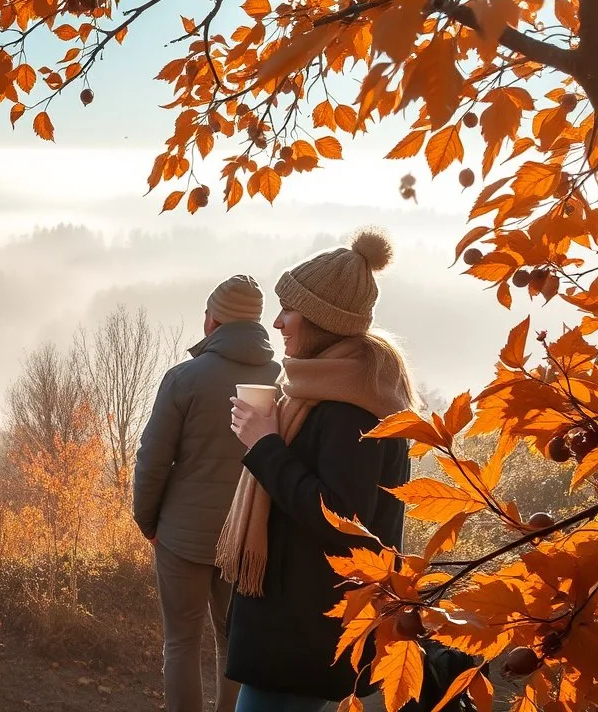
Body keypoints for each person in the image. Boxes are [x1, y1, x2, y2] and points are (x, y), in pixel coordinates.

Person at [219, 227, 416, 711]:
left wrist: (264, 445)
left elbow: (344, 520)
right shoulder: (322, 393)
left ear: (320, 321)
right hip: (299, 625)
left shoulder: (350, 411)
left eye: (289, 309)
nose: (278, 321)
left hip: (306, 628)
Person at [133, 274, 281, 712]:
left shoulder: (184, 378)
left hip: (182, 535)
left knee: (181, 642)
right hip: (249, 537)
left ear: (212, 320)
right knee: (233, 643)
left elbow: (153, 460)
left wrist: (148, 521)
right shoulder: (284, 380)